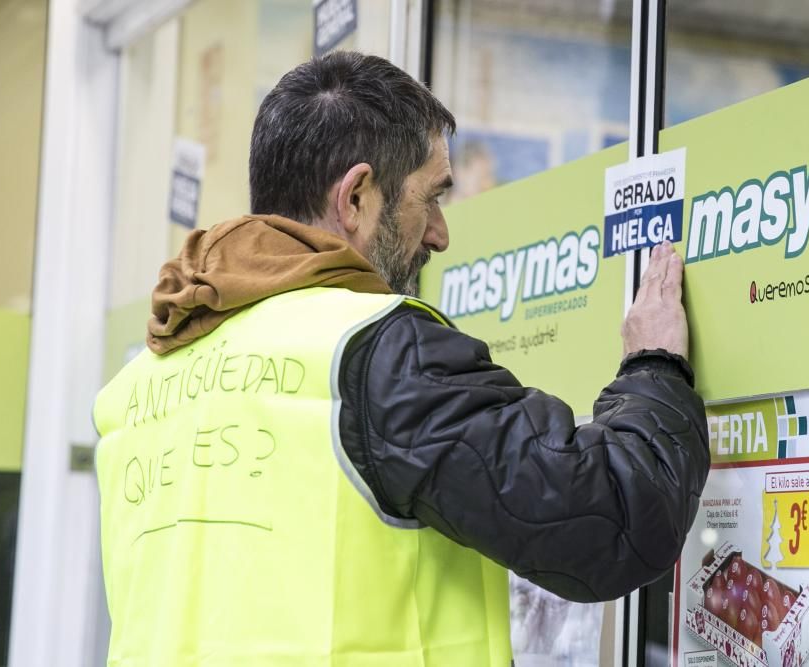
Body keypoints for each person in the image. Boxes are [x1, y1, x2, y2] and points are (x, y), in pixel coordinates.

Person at [93, 52, 710, 666]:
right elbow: (616, 520)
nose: (440, 233)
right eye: (431, 197)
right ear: (356, 197)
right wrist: (653, 365)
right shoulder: (375, 354)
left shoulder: (137, 388)